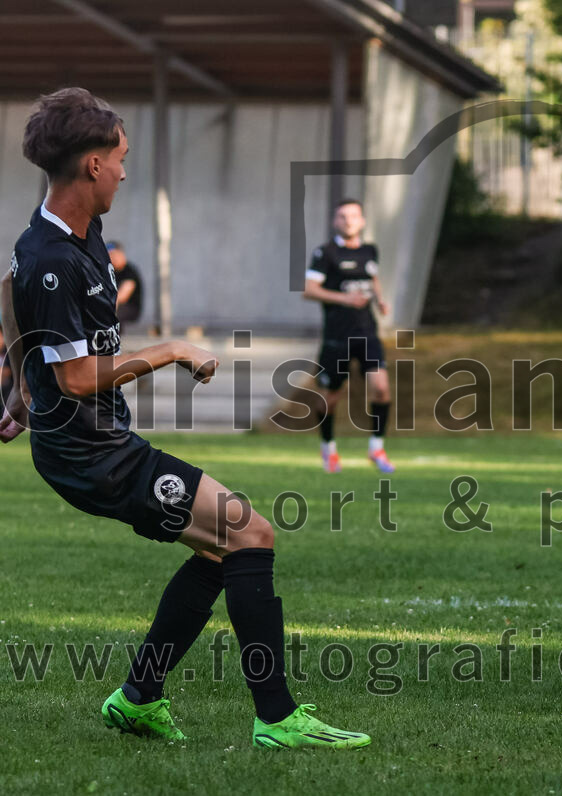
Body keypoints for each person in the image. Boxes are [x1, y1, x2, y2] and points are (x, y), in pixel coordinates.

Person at [0, 87, 370, 749]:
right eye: (119, 158)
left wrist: (22, 395)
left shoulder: (69, 232)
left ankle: (140, 697)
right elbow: (77, 376)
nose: (123, 169)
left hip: (93, 439)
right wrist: (168, 350)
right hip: (90, 452)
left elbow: (7, 288)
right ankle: (278, 719)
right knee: (250, 534)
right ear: (91, 165)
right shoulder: (54, 256)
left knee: (219, 546)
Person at [303, 199, 394, 473]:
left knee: (381, 389)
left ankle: (376, 448)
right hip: (336, 337)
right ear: (335, 221)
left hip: (367, 332)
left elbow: (372, 278)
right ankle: (328, 449)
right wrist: (345, 299)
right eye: (343, 216)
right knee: (330, 396)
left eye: (353, 216)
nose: (349, 221)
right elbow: (309, 290)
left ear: (362, 221)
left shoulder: (370, 250)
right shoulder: (325, 253)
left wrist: (379, 300)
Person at [106, 240, 143, 323]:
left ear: (121, 254)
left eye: (113, 254)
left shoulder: (129, 272)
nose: (111, 258)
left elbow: (122, 296)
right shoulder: (108, 271)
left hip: (129, 307)